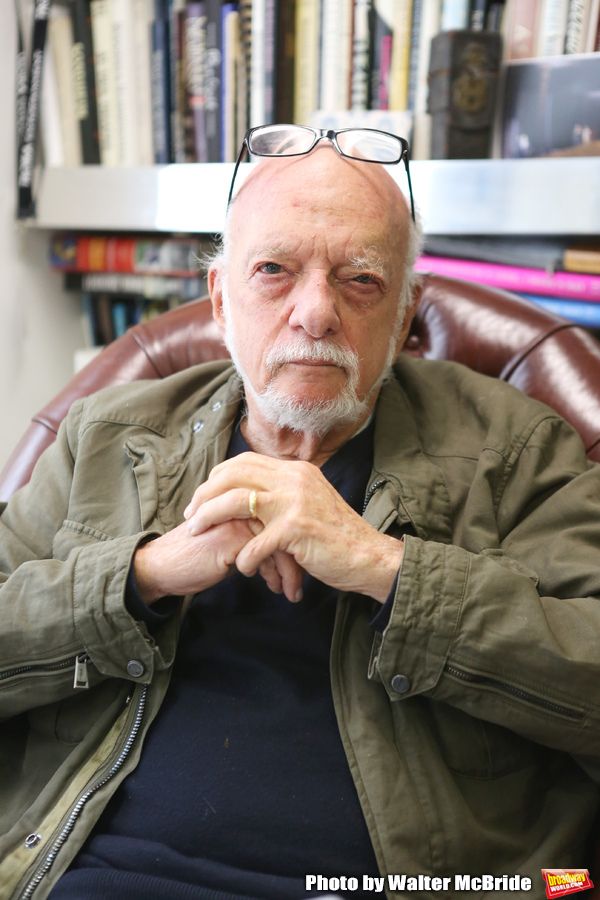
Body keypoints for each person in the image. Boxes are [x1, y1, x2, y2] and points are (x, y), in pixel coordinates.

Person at [0, 126, 599, 900]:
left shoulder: (518, 451)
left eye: (360, 280)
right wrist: (139, 577)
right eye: (275, 271)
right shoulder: (107, 438)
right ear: (221, 299)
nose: (314, 313)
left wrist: (388, 571)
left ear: (405, 312)